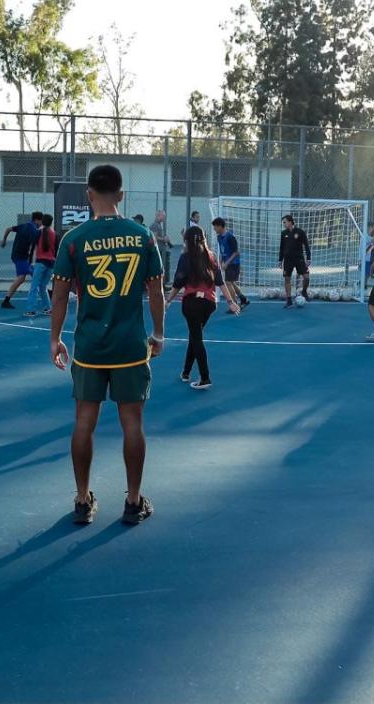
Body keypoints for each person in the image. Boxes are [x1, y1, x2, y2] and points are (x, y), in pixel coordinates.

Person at [49, 165, 165, 526]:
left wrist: (55, 338)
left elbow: (61, 294)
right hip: (130, 345)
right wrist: (158, 333)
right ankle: (132, 501)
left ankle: (82, 500)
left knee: (84, 422)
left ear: (88, 194)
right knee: (132, 423)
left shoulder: (73, 239)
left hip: (90, 347)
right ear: (121, 195)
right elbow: (156, 290)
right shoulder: (142, 236)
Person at [166, 226, 241, 389]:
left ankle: (205, 377)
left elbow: (178, 283)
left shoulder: (185, 258)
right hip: (209, 303)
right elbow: (220, 282)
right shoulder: (212, 256)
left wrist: (168, 300)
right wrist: (230, 302)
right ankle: (185, 372)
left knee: (196, 338)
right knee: (195, 336)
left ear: (187, 241)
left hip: (191, 303)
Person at [0, 211, 43, 309]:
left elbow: (8, 229)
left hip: (18, 254)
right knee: (22, 277)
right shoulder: (33, 230)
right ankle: (6, 300)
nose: (41, 224)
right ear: (37, 220)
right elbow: (35, 246)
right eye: (41, 221)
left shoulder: (24, 225)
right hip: (21, 256)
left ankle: (47, 293)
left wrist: (4, 241)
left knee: (34, 274)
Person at [24, 214, 58, 317]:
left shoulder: (39, 232)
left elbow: (32, 245)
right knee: (43, 286)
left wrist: (30, 261)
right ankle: (48, 308)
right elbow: (56, 250)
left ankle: (31, 310)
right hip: (51, 263)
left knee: (34, 286)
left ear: (42, 221)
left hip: (41, 262)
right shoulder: (55, 234)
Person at [211, 216, 248, 310]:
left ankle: (235, 304)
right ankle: (243, 298)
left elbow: (236, 252)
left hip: (233, 263)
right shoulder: (219, 237)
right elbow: (222, 250)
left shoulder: (230, 237)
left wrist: (226, 263)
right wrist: (220, 262)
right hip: (226, 263)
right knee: (231, 282)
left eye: (215, 227)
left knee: (228, 282)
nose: (214, 229)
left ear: (220, 226)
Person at [278, 214, 311, 308]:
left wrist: (308, 258)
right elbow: (281, 248)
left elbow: (306, 245)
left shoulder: (300, 232)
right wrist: (280, 260)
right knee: (287, 279)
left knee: (306, 277)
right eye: (283, 222)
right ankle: (289, 300)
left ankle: (304, 291)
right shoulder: (283, 233)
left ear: (290, 222)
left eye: (284, 222)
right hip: (288, 260)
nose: (283, 224)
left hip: (299, 259)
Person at [149, 210, 173, 286]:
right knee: (160, 268)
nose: (164, 218)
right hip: (159, 249)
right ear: (158, 215)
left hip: (162, 249)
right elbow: (154, 237)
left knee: (164, 267)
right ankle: (161, 284)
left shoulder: (159, 225)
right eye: (163, 216)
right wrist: (164, 239)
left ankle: (163, 284)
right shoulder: (155, 225)